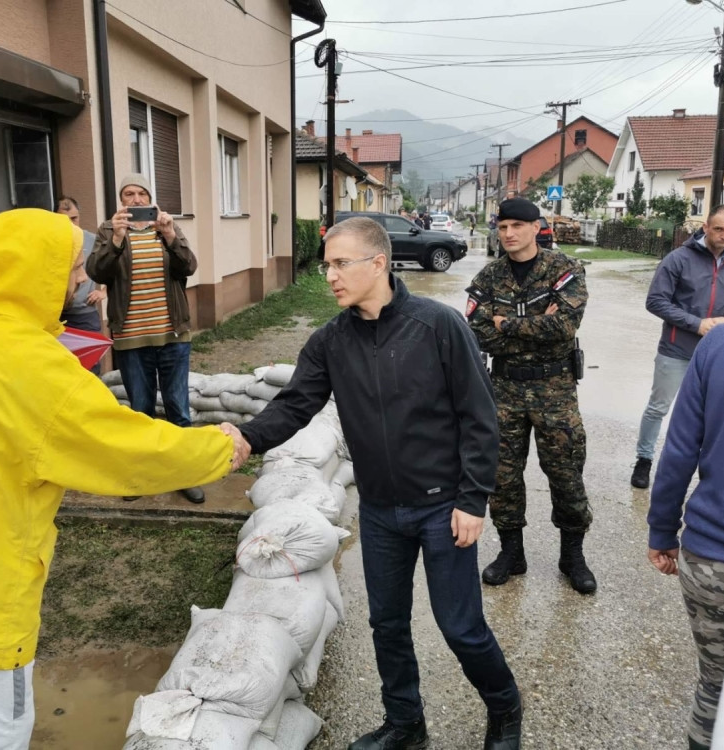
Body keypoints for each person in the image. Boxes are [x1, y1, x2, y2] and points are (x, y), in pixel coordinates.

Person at [0, 209, 248, 750]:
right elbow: (125, 449)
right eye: (72, 267)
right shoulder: (37, 366)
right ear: (32, 271)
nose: (80, 278)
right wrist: (219, 447)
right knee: (0, 716)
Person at [232, 217, 522, 750]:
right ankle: (405, 724)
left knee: (460, 627)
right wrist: (246, 437)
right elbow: (295, 404)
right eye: (327, 266)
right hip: (381, 510)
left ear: (379, 263)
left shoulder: (437, 326)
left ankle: (505, 707)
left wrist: (473, 498)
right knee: (387, 624)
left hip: (443, 508)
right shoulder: (331, 341)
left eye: (341, 264)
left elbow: (480, 417)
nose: (330, 276)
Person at [646, 296, 724, 750]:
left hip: (709, 559)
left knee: (715, 686)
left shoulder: (718, 345)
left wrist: (662, 531)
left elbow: (679, 450)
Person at [466, 197, 596, 595]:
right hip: (504, 389)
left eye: (516, 226)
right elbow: (477, 333)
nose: (508, 234)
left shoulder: (565, 270)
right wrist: (533, 324)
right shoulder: (489, 277)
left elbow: (564, 326)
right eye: (503, 227)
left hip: (555, 390)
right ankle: (512, 553)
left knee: (566, 473)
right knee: (502, 475)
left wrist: (505, 324)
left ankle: (572, 556)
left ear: (536, 227)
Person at [87, 174, 205, 503]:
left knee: (178, 409)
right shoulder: (108, 230)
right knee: (140, 411)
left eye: (142, 193)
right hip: (131, 338)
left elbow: (189, 266)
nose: (136, 199)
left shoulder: (165, 226)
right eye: (129, 193)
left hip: (172, 335)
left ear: (150, 199)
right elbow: (97, 272)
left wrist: (169, 235)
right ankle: (142, 476)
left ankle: (185, 474)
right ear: (121, 200)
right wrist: (116, 239)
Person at [630, 204, 724, 489]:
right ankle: (644, 460)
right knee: (659, 407)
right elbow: (655, 301)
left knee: (715, 414)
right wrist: (696, 323)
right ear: (705, 227)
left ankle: (709, 470)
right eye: (719, 229)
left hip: (719, 353)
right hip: (676, 349)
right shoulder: (678, 259)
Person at [56, 196, 106, 373]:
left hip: (85, 315)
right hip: (56, 317)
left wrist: (104, 292)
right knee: (62, 368)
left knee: (90, 367)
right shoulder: (50, 241)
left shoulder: (92, 240)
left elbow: (116, 267)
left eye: (74, 218)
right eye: (65, 219)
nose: (71, 224)